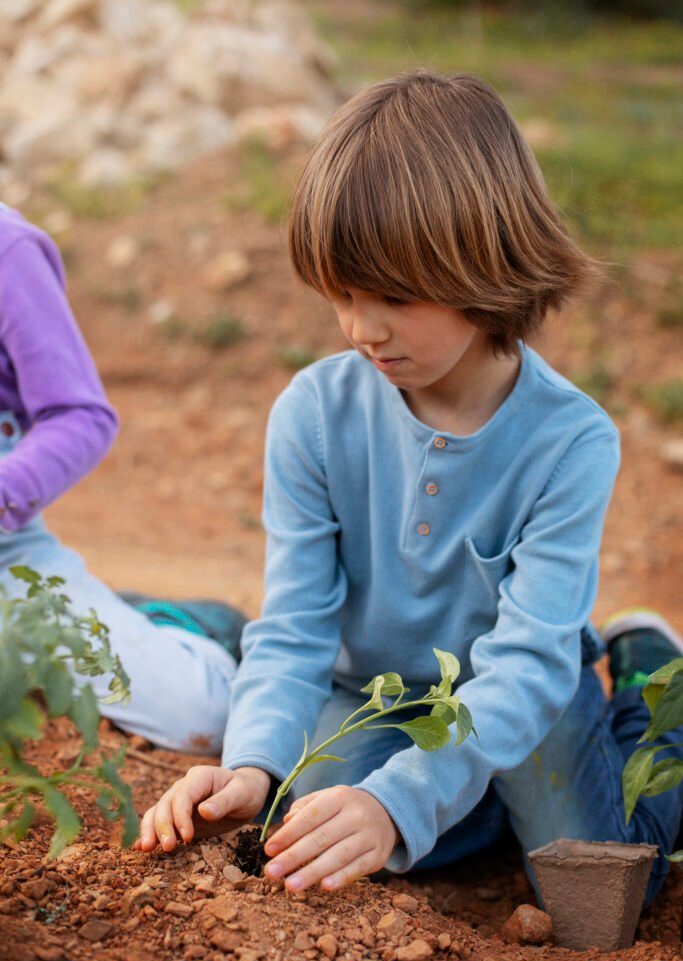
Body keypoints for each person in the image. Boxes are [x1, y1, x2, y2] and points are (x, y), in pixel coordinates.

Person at [135, 71, 683, 906]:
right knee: (301, 835)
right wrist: (252, 765)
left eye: (393, 296)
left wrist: (399, 800)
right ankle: (482, 806)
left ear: (486, 261)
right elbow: (293, 627)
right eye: (342, 296)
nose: (363, 329)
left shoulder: (570, 441)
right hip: (372, 696)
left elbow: (526, 664)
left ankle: (648, 674)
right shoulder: (314, 413)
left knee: (598, 893)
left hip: (526, 696)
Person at [0, 201, 244, 754]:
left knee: (201, 716)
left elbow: (80, 416)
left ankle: (186, 627)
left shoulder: (8, 252)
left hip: (8, 550)